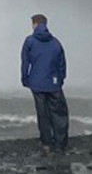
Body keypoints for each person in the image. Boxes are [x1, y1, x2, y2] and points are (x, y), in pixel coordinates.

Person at [21, 13, 69, 153]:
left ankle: (46, 142)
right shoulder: (56, 42)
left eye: (32, 24)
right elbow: (62, 64)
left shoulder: (29, 41)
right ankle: (60, 144)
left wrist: (25, 79)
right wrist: (60, 79)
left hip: (36, 83)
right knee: (59, 113)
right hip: (53, 83)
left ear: (35, 24)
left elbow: (25, 62)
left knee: (42, 113)